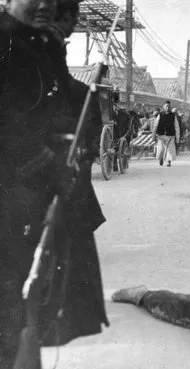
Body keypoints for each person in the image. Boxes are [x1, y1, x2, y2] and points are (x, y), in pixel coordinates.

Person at [1, 1, 109, 367]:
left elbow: (60, 110)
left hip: (35, 212)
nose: (46, 5)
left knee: (26, 317)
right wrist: (47, 161)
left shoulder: (43, 49)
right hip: (9, 206)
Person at [153, 101, 180, 167]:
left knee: (170, 149)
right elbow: (155, 125)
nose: (167, 108)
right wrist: (153, 135)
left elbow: (176, 127)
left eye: (169, 106)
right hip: (161, 134)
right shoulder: (160, 115)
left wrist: (177, 138)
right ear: (163, 107)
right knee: (161, 148)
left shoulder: (173, 116)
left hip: (170, 134)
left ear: (170, 107)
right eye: (166, 106)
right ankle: (161, 158)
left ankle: (169, 161)